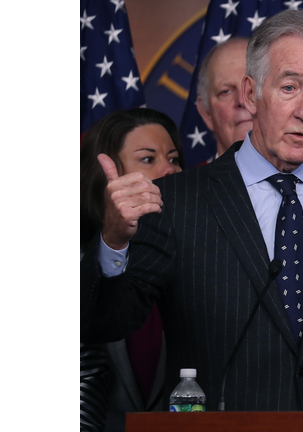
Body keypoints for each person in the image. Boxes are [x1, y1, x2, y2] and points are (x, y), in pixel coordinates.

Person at [80, 9, 303, 412]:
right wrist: (112, 241)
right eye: (290, 88)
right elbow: (106, 323)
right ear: (250, 94)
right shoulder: (177, 202)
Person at [80, 108, 183, 431]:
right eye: (149, 160)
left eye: (174, 158)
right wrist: (114, 238)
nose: (170, 171)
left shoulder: (198, 260)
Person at [195, 37, 303, 171]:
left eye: (253, 90)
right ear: (206, 113)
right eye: (225, 91)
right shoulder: (184, 193)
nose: (243, 100)